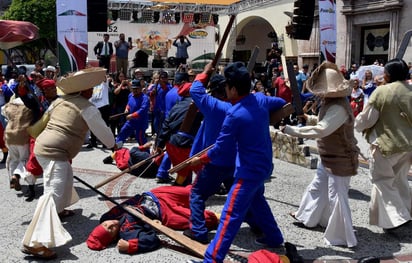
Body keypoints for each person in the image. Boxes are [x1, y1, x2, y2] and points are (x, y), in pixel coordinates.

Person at [188, 62, 286, 263]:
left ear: (232, 88)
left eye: (227, 86)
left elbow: (221, 148)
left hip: (248, 171)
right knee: (258, 201)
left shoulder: (234, 113)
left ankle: (212, 260)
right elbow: (280, 102)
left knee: (229, 215)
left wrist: (201, 158)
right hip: (263, 167)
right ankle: (274, 238)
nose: (225, 89)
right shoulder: (260, 101)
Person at [21, 67, 115, 259]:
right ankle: (34, 242)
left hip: (42, 147)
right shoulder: (87, 108)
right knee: (52, 192)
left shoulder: (59, 101)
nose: (93, 90)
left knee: (66, 176)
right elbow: (108, 141)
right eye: (91, 87)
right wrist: (115, 142)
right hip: (55, 152)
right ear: (85, 91)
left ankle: (60, 210)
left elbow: (43, 122)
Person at [281, 61, 359, 248]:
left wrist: (293, 130)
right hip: (329, 155)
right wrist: (309, 119)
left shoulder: (339, 107)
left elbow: (323, 129)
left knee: (337, 196)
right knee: (318, 186)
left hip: (340, 157)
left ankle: (340, 236)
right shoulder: (332, 104)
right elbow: (324, 122)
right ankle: (308, 216)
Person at [354, 58, 412, 231]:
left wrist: (355, 124)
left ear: (388, 74)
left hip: (385, 144)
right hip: (408, 145)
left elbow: (366, 120)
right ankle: (407, 213)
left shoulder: (382, 92)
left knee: (382, 181)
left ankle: (398, 218)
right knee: (400, 180)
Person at [184, 64, 235, 245]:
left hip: (214, 161)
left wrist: (205, 72)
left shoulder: (214, 106)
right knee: (239, 194)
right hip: (235, 160)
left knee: (197, 194)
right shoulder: (239, 107)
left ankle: (198, 231)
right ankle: (258, 225)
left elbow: (195, 90)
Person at [86, 185, 219, 254]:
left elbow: (126, 204)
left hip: (155, 195)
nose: (111, 224)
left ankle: (219, 181)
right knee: (204, 218)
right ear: (113, 238)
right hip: (165, 213)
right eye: (110, 230)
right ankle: (233, 212)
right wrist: (132, 246)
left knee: (194, 191)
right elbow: (153, 240)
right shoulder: (127, 233)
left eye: (105, 224)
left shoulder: (108, 216)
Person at [155, 73, 202, 186]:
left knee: (183, 172)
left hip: (172, 143)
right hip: (186, 144)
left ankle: (179, 186)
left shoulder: (176, 105)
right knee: (194, 171)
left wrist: (159, 145)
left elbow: (165, 126)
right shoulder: (198, 106)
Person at [4, 74, 41, 192]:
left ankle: (13, 180)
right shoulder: (30, 102)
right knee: (25, 160)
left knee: (13, 159)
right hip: (22, 136)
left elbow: (4, 113)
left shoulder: (12, 102)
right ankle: (17, 176)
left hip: (9, 135)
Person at [24, 78, 59, 202]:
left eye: (54, 88)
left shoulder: (60, 101)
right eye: (49, 89)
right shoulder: (37, 100)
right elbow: (26, 99)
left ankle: (54, 188)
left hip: (55, 135)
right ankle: (31, 188)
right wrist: (22, 85)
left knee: (59, 162)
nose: (53, 91)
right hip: (39, 135)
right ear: (44, 91)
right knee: (34, 160)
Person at [115, 79, 150, 147]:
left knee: (140, 138)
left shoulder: (144, 98)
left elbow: (143, 110)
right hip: (131, 121)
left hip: (141, 122)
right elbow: (129, 104)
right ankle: (117, 149)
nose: (135, 90)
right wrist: (127, 109)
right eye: (133, 89)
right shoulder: (130, 95)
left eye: (137, 88)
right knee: (123, 132)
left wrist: (132, 115)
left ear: (140, 88)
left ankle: (145, 153)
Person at [87, 75, 112, 148]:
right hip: (93, 106)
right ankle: (93, 142)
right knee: (93, 125)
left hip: (103, 106)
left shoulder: (104, 83)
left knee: (104, 125)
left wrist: (99, 73)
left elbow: (104, 77)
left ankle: (105, 143)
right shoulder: (92, 85)